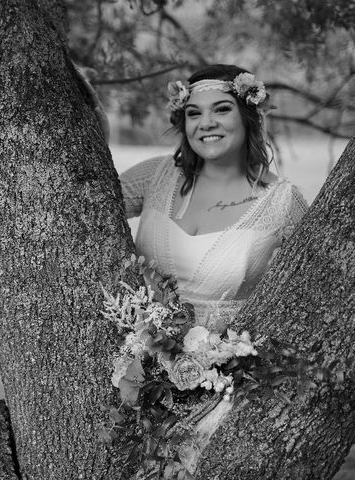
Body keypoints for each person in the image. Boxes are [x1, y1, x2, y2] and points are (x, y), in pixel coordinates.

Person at [119, 64, 308, 332]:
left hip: (232, 368)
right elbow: (84, 208)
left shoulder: (284, 202)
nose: (206, 123)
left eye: (222, 109)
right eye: (194, 113)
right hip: (134, 364)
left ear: (248, 116)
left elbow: (310, 293)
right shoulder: (156, 175)